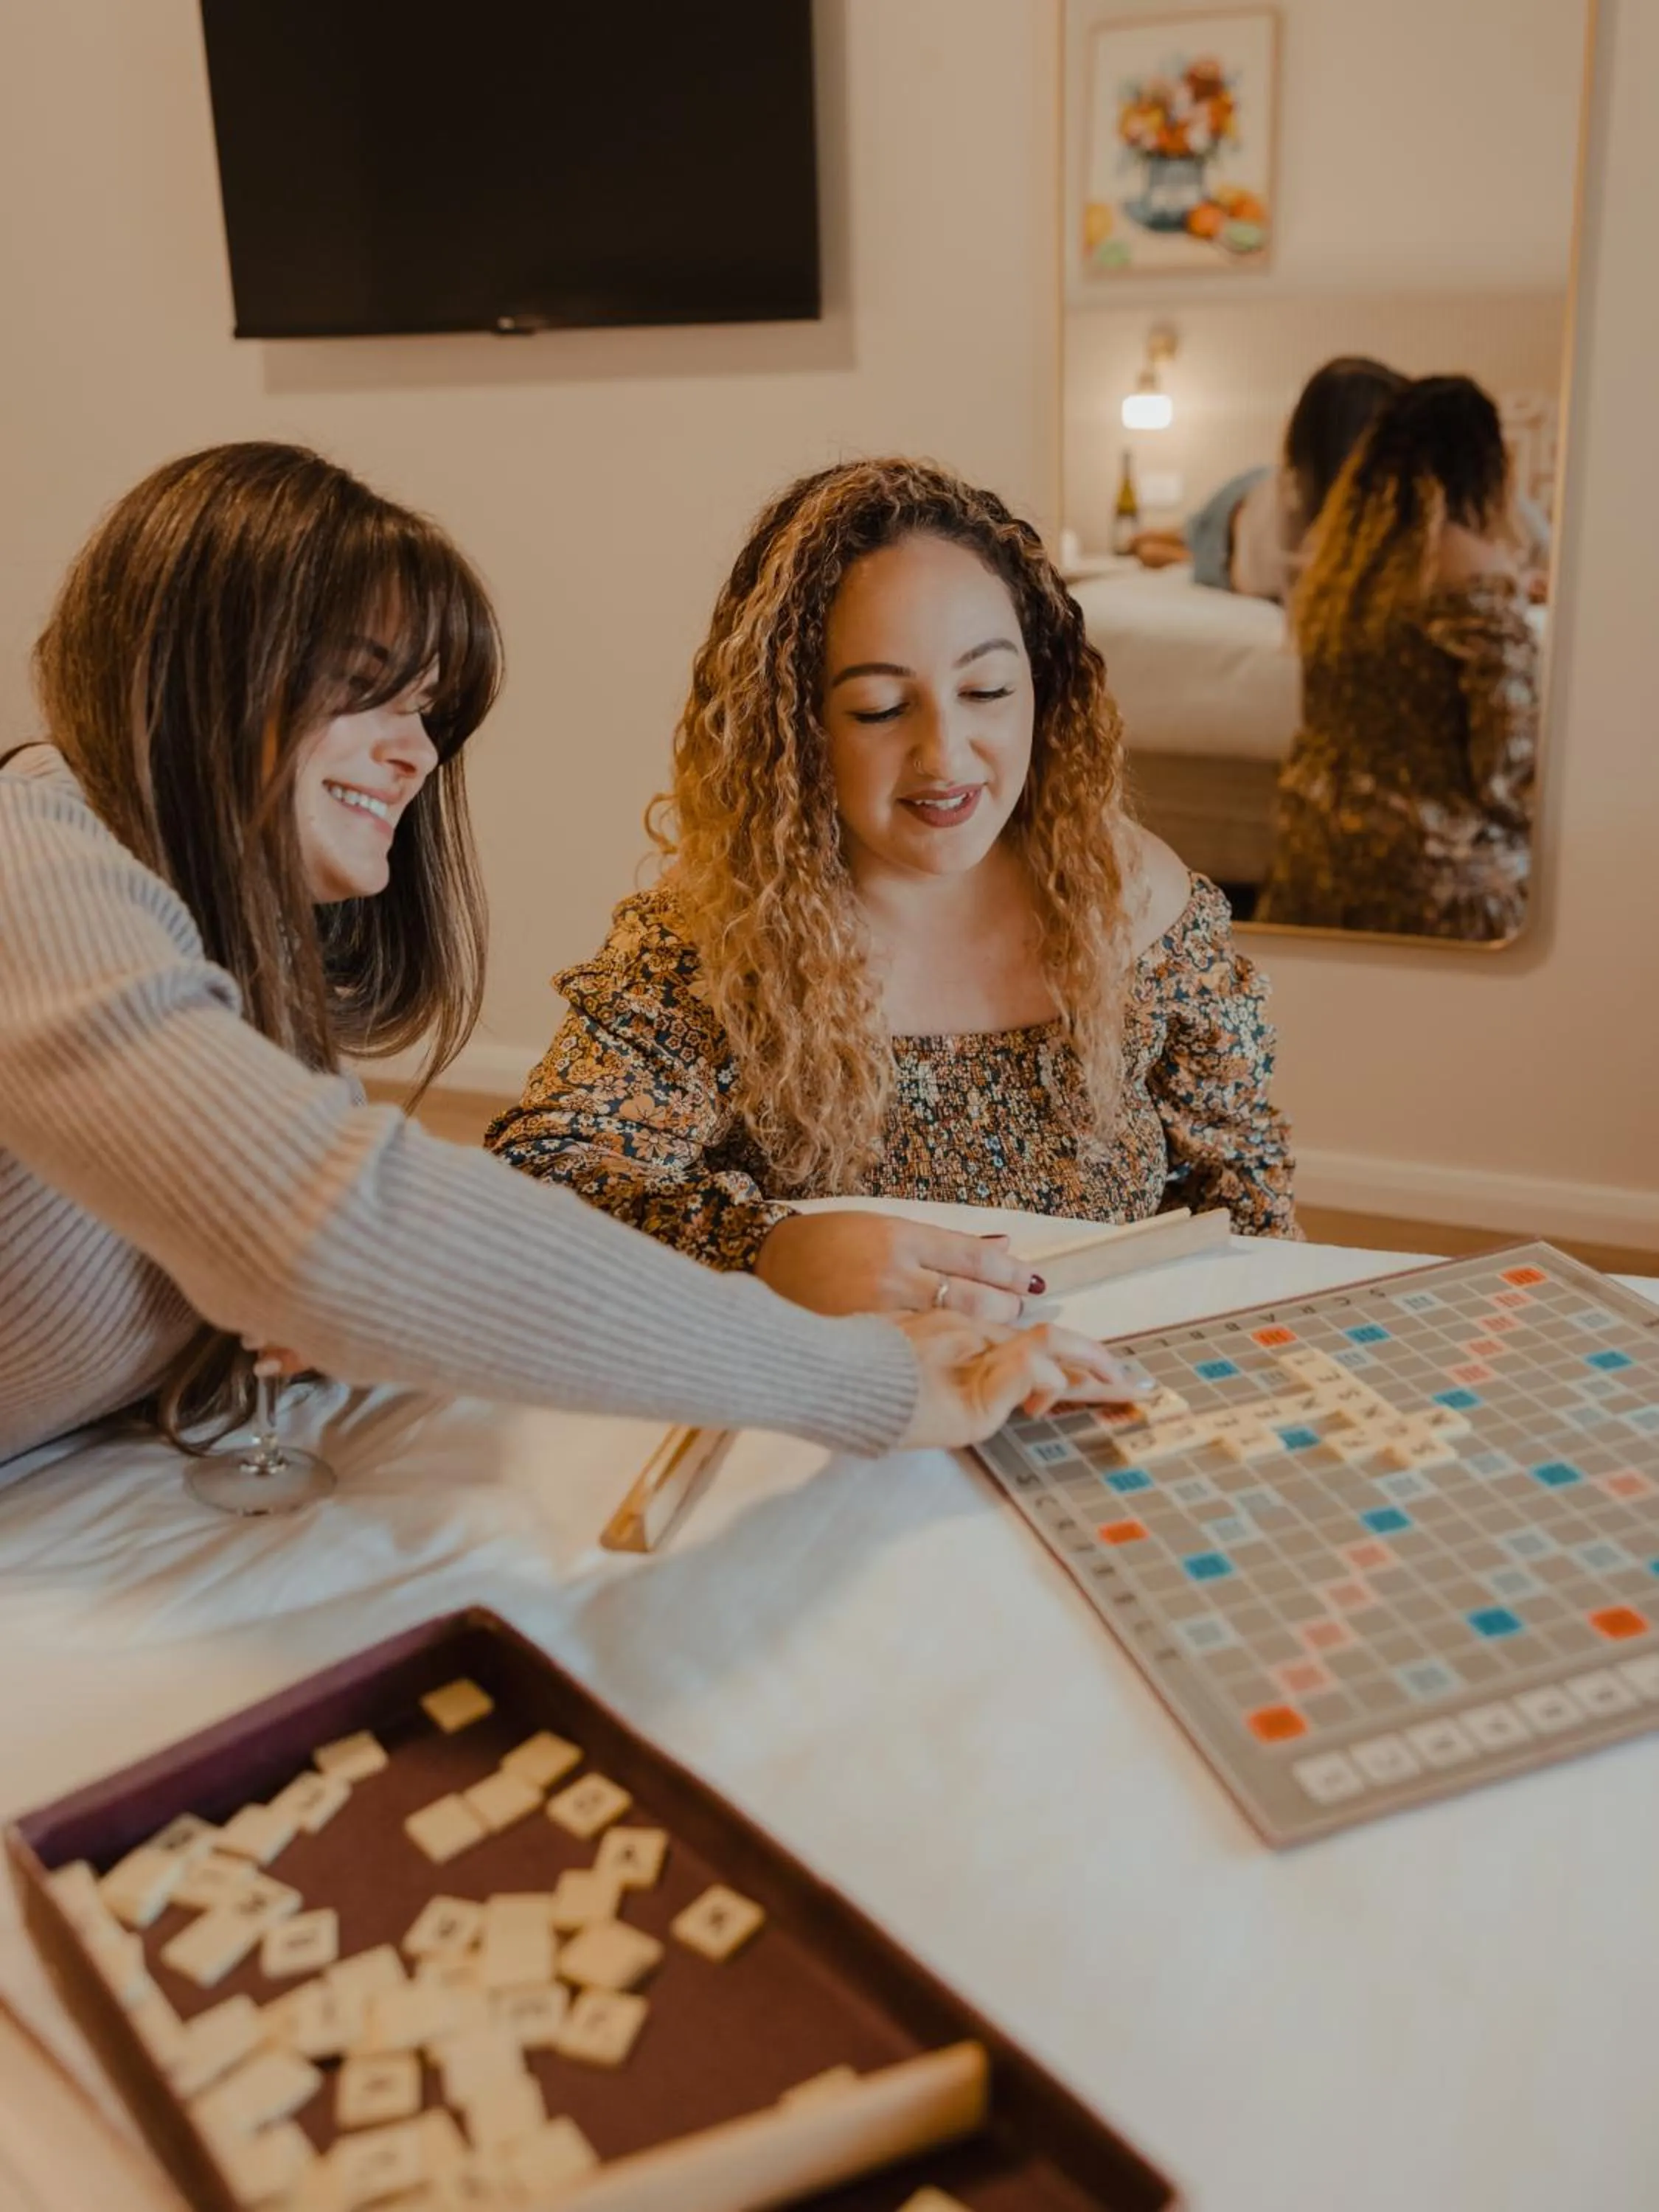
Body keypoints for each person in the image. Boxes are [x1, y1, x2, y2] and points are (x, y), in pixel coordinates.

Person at [0, 443, 1130, 1475]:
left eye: (429, 711)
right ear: (198, 664)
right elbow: (345, 1226)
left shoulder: (220, 953)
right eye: (362, 687)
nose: (414, 754)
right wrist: (872, 1383)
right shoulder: (25, 858)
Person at [487, 457, 1295, 1319]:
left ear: (1043, 690)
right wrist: (768, 1251)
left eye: (986, 690)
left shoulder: (1136, 903)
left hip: (1083, 1386)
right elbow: (544, 1179)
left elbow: (1246, 1200)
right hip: (839, 1404)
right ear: (797, 727)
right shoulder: (718, 934)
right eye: (878, 708)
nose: (946, 756)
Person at [1255, 375, 1539, 942]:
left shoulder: (1341, 569)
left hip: (1316, 854)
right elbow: (1506, 764)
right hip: (1435, 876)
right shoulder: (1476, 571)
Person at [1132, 355, 1408, 599]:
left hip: (1242, 519)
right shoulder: (1297, 515)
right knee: (1173, 537)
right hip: (1233, 509)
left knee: (1177, 542)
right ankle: (1163, 539)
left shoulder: (1352, 504)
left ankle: (1172, 544)